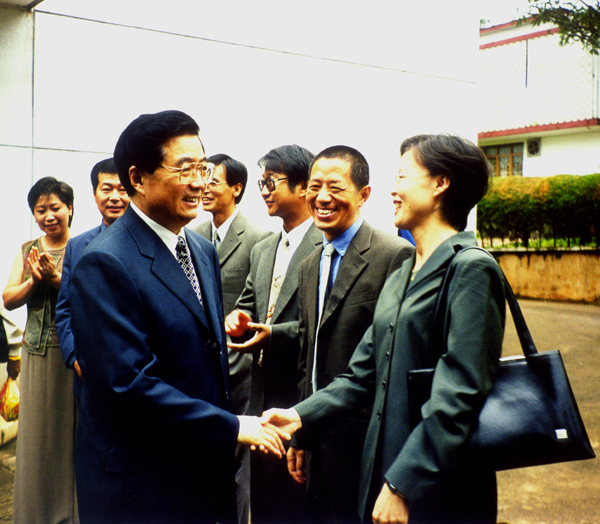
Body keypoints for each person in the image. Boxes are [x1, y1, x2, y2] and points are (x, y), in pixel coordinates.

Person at [264, 134, 507, 524]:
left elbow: (459, 394)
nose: (393, 190)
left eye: (402, 177)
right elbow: (362, 374)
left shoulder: (471, 268)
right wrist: (299, 416)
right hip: (388, 465)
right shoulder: (405, 271)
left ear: (441, 183)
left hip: (435, 483)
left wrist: (403, 485)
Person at [68, 110, 284, 524]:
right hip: (143, 484)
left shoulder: (201, 250)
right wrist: (230, 426)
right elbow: (127, 385)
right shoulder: (105, 262)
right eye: (184, 169)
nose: (199, 182)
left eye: (202, 168)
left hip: (202, 471)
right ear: (138, 178)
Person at [291, 145, 414, 524]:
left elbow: (394, 360)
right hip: (317, 440)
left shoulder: (393, 254)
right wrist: (301, 433)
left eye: (335, 187)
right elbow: (307, 353)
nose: (322, 197)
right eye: (314, 187)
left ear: (364, 195)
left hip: (366, 444)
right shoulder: (309, 264)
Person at [225, 144, 320, 524]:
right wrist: (238, 318)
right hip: (261, 394)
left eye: (271, 182)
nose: (263, 190)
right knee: (264, 501)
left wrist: (274, 335)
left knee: (301, 504)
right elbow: (247, 303)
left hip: (302, 395)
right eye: (261, 183)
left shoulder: (326, 242)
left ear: (303, 186)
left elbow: (328, 324)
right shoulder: (264, 248)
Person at [193, 153, 272, 524]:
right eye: (203, 180)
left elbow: (256, 303)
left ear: (236, 188)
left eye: (214, 181)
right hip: (201, 364)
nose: (204, 188)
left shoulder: (258, 237)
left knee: (241, 458)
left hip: (240, 365)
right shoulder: (193, 235)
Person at [3, 176, 79, 523]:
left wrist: (56, 279)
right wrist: (34, 279)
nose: (48, 216)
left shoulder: (83, 247)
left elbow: (90, 297)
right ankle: (35, 513)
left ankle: (68, 513)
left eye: (55, 208)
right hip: (35, 353)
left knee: (67, 435)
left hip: (71, 355)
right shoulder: (27, 250)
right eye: (40, 210)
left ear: (70, 209)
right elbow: (8, 298)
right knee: (35, 438)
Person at [56, 157, 130, 398]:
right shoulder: (77, 246)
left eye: (122, 189)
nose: (115, 197)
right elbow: (65, 308)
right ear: (94, 193)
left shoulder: (150, 242)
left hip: (140, 371)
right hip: (89, 371)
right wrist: (74, 356)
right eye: (106, 189)